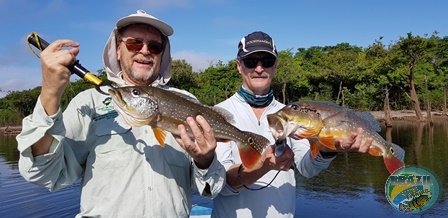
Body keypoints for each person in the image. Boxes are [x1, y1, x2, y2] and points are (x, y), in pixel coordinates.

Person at [16, 10, 225, 217]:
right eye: (134, 43)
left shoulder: (186, 101)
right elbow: (45, 174)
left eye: (155, 46)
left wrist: (205, 160)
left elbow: (209, 190)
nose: (144, 51)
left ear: (163, 54)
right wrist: (50, 94)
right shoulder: (89, 102)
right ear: (117, 50)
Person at [211, 31, 373, 217]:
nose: (259, 68)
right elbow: (219, 183)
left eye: (267, 61)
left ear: (275, 66)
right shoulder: (218, 113)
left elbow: (307, 168)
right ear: (239, 66)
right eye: (250, 62)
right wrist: (263, 165)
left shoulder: (292, 113)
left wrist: (327, 150)